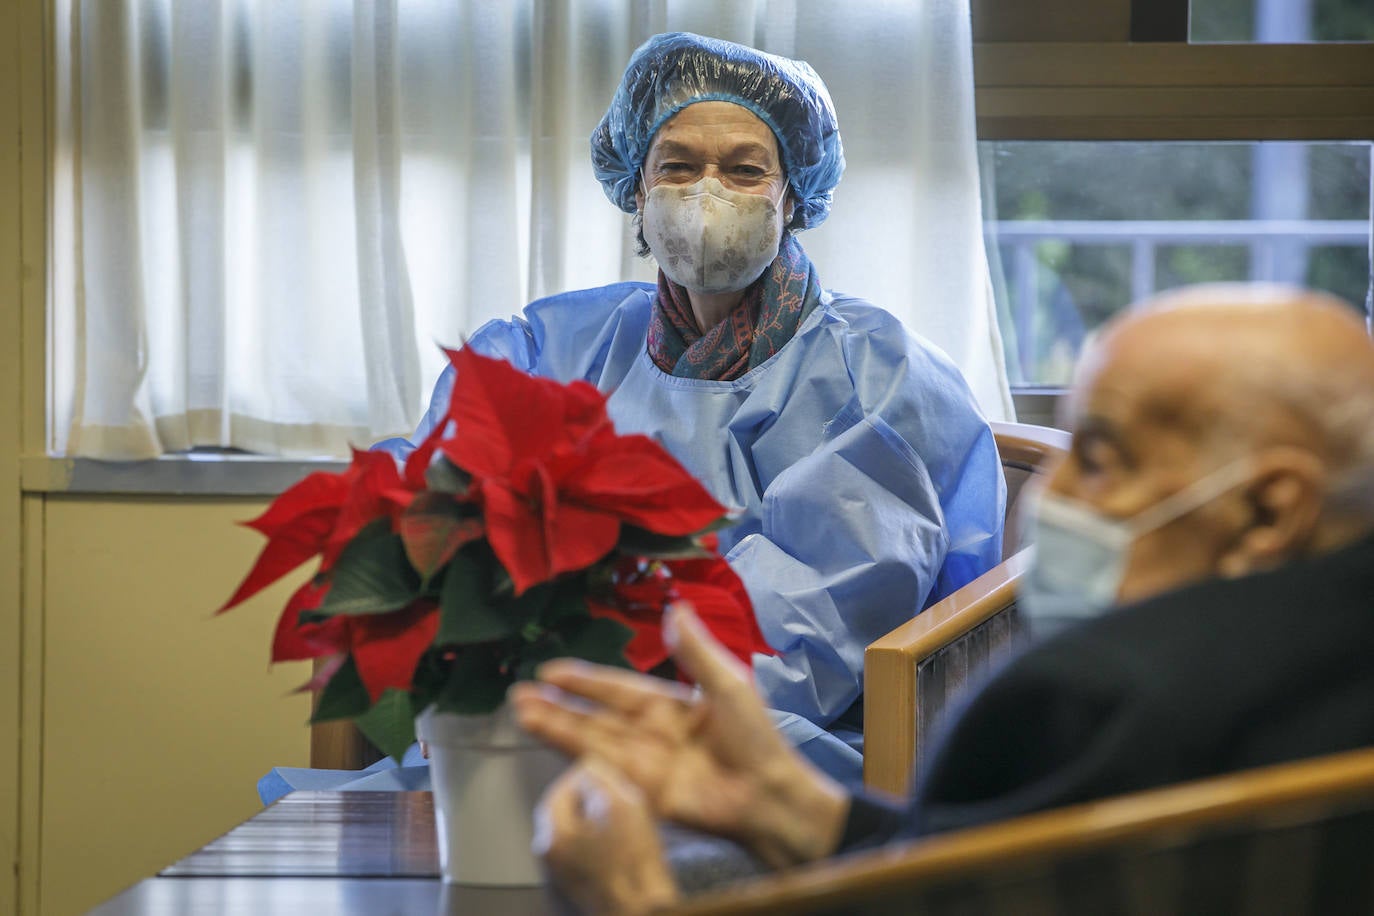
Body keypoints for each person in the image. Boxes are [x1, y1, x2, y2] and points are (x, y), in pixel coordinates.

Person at [512, 283, 1374, 914]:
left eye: (1102, 458)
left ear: (1271, 512)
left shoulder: (1096, 701)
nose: (1047, 495)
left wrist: (638, 900)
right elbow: (982, 883)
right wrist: (798, 809)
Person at [373, 31, 1004, 782]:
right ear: (634, 189)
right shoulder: (553, 348)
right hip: (543, 721)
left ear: (793, 194)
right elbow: (440, 517)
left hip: (767, 751)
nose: (707, 193)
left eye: (744, 170)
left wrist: (589, 680)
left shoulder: (883, 379)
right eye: (677, 165)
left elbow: (808, 630)